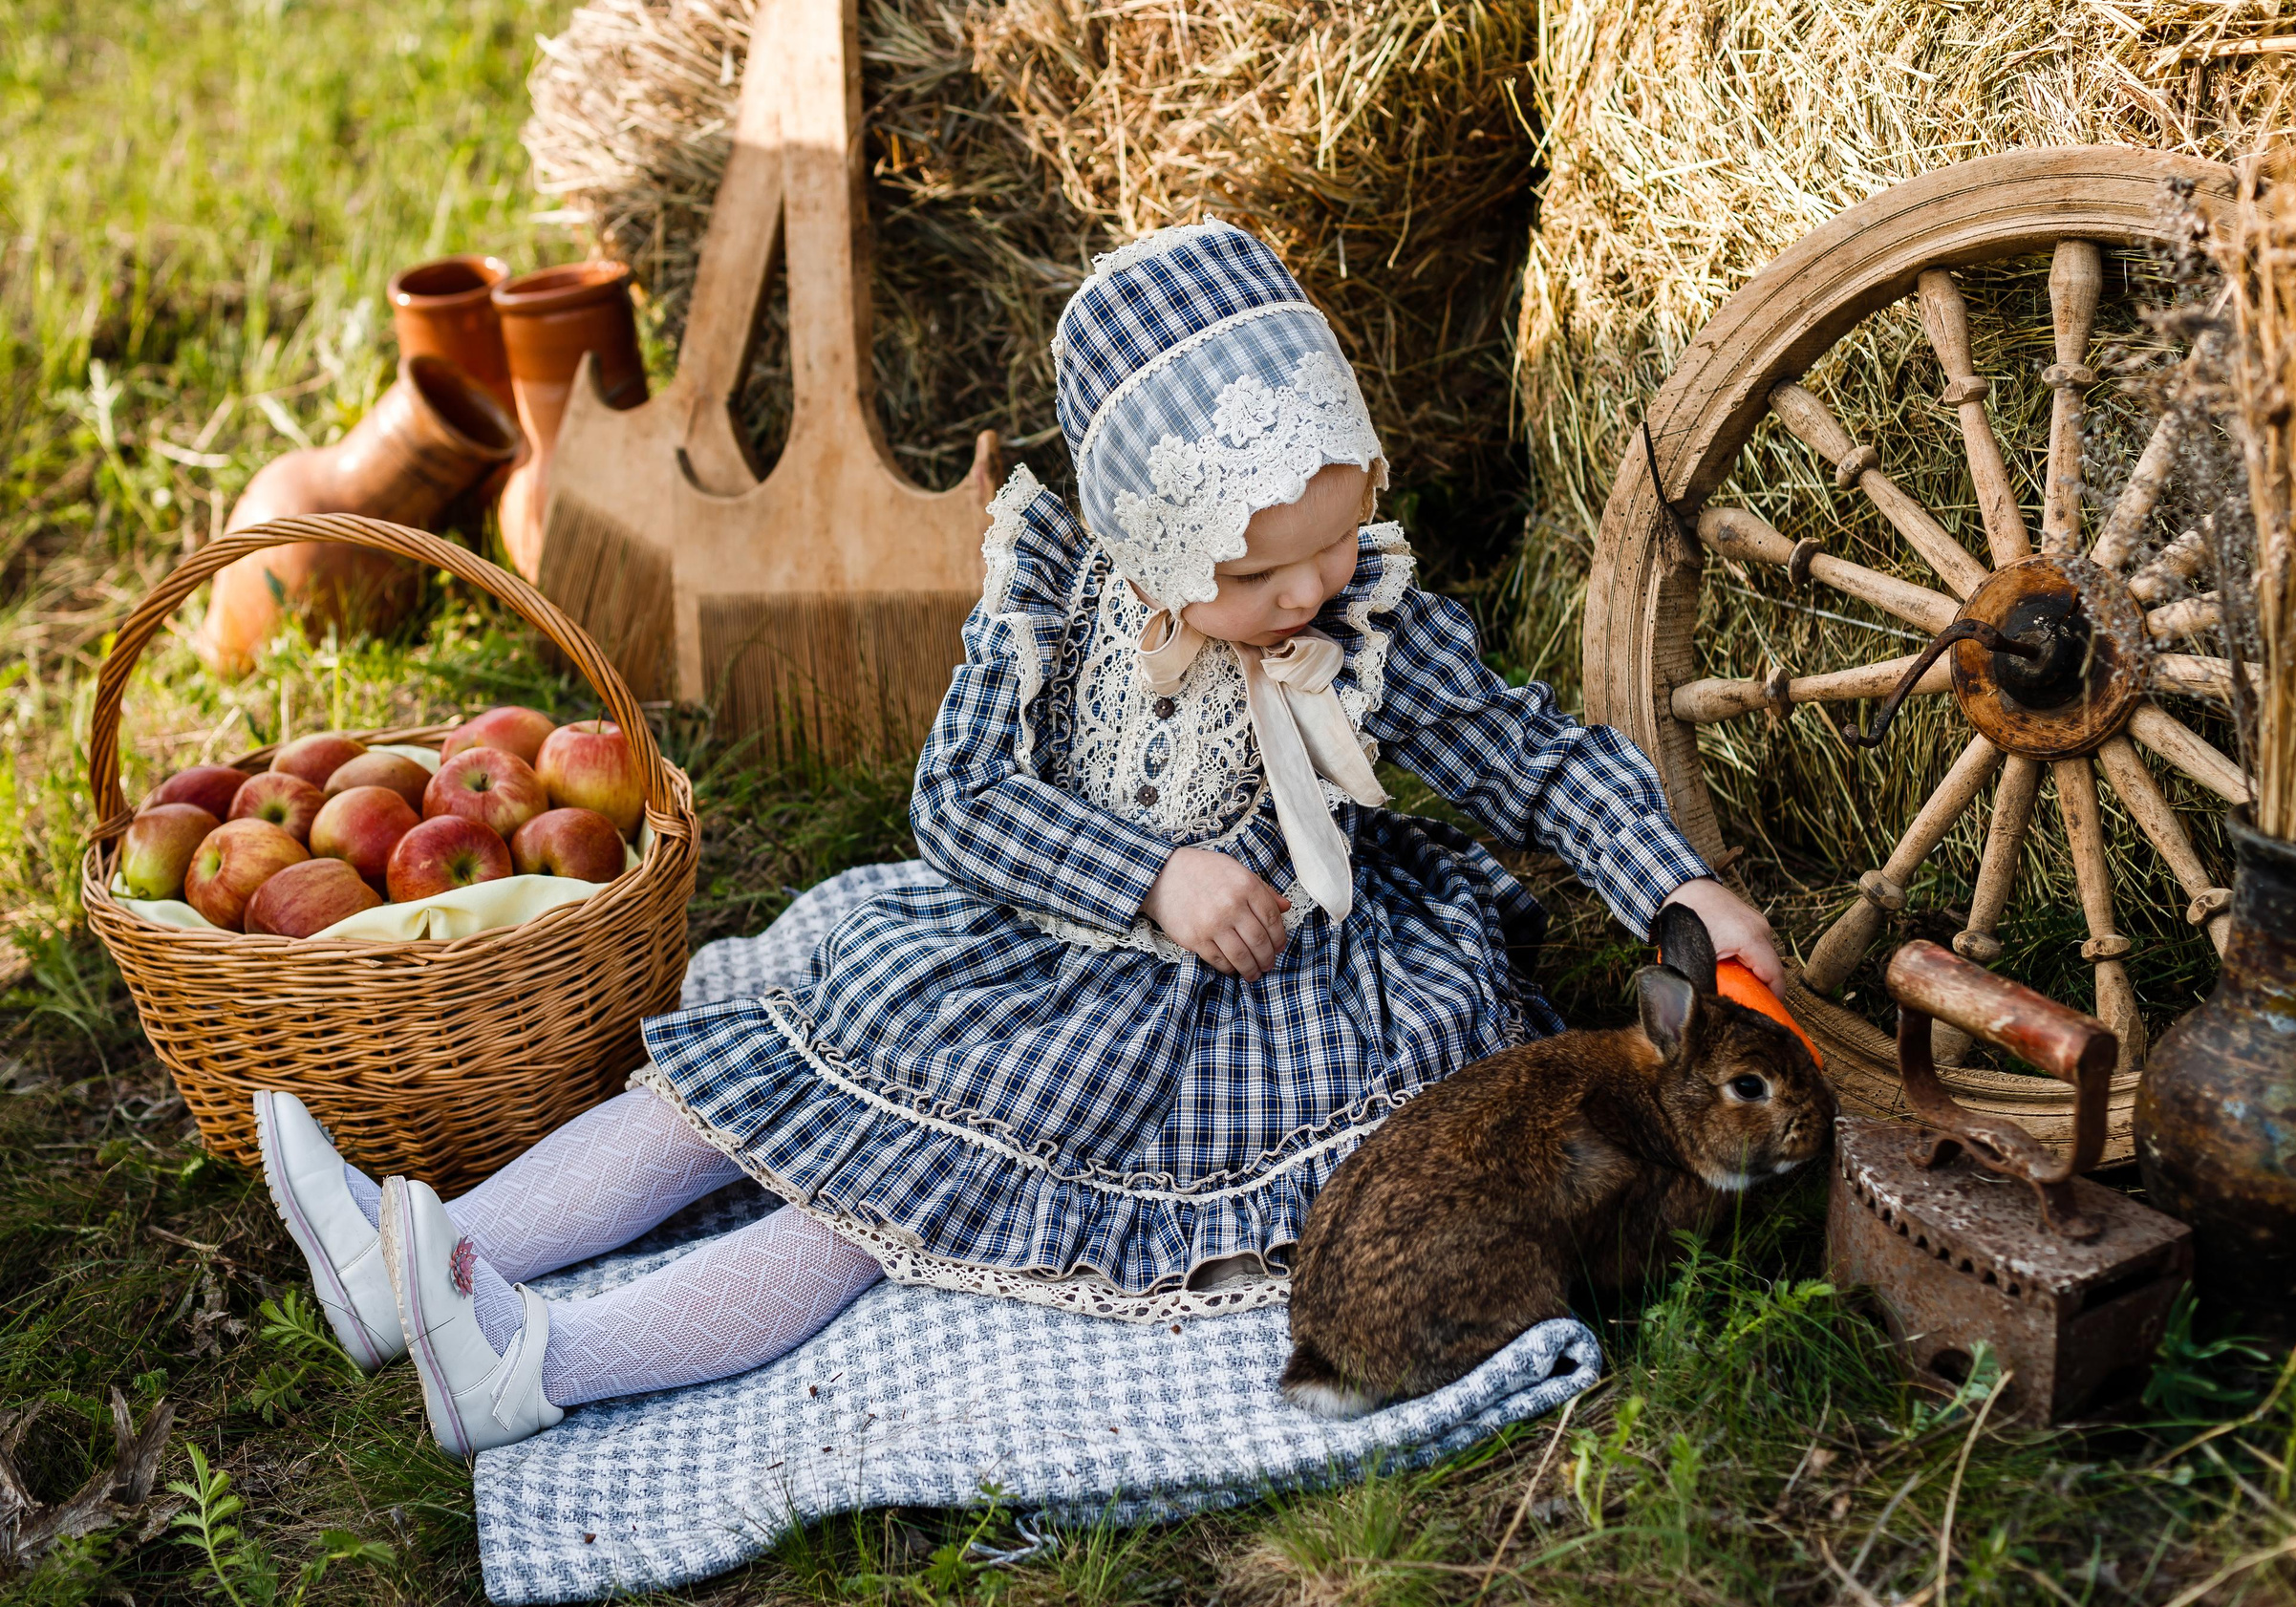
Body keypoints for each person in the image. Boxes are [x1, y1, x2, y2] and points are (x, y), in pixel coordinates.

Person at [256, 221, 1783, 1458]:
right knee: (722, 1096)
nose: (1317, 588)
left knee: (878, 1203)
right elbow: (961, 803)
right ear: (1151, 540)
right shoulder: (1055, 587)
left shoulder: (1361, 618)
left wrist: (1677, 880)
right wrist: (1152, 875)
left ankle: (545, 1364)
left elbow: (1526, 755)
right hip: (1032, 934)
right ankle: (415, 1260)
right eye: (1268, 572)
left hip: (1229, 1011)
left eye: (1339, 536)